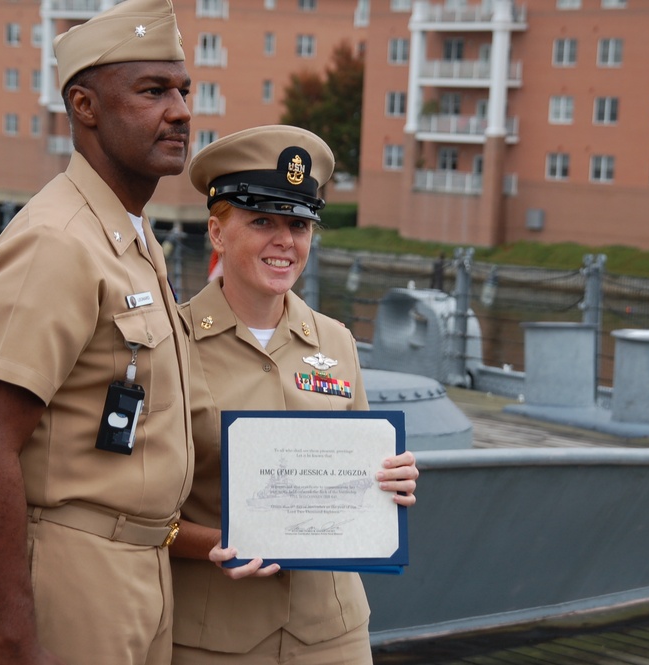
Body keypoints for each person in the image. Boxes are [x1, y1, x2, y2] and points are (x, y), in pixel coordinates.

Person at [0, 1, 194, 663]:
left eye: (183, 90)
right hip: (69, 574)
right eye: (152, 91)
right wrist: (17, 638)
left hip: (139, 568)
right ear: (84, 105)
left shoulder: (129, 237)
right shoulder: (57, 244)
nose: (180, 110)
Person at [169, 125, 419, 664]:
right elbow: (138, 505)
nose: (285, 241)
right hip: (215, 635)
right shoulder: (173, 344)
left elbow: (362, 473)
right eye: (262, 221)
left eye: (299, 224)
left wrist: (390, 483)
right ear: (217, 232)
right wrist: (208, 544)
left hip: (330, 633)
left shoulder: (337, 341)